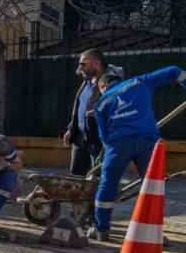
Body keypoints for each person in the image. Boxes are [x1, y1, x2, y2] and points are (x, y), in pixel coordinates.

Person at [89, 65, 186, 241]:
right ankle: (154, 233)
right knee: (153, 186)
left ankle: (100, 229)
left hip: (118, 143)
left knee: (107, 185)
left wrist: (110, 152)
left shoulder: (101, 104)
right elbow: (173, 70)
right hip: (149, 141)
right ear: (119, 81)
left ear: (102, 87)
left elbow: (104, 137)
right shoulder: (139, 82)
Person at [63, 50, 106, 177]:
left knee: (98, 174)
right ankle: (78, 196)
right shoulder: (87, 81)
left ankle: (99, 197)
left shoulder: (108, 82)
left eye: (83, 64)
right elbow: (80, 106)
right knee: (77, 172)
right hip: (80, 135)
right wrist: (72, 128)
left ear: (97, 63)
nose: (80, 68)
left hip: (97, 136)